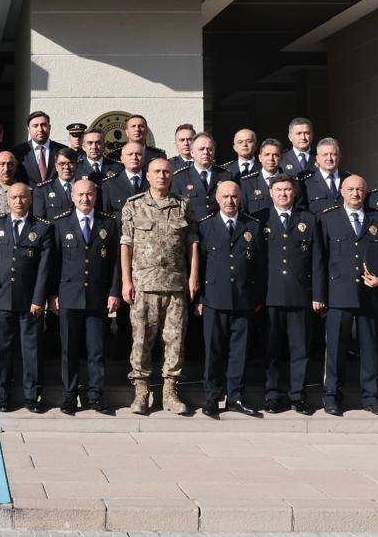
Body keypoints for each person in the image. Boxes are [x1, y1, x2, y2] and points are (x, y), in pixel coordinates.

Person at [118, 156, 193, 416]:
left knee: (175, 340)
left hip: (174, 286)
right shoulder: (133, 206)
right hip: (143, 286)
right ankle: (141, 392)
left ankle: (170, 393)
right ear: (147, 176)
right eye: (156, 172)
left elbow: (191, 244)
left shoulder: (183, 205)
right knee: (141, 340)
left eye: (166, 171)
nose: (162, 175)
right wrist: (126, 281)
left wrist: (193, 277)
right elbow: (125, 245)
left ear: (172, 176)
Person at [315, 175, 378, 417]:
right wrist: (320, 295)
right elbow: (320, 260)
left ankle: (371, 397)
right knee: (336, 349)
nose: (355, 194)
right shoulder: (328, 218)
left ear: (366, 192)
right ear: (341, 191)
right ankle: (332, 396)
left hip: (370, 296)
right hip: (338, 295)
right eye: (350, 189)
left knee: (370, 349)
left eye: (360, 189)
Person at [193, 180, 263, 418]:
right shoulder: (205, 227)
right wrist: (199, 298)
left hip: (244, 300)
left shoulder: (252, 226)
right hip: (213, 299)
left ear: (240, 198)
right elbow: (198, 267)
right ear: (217, 199)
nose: (230, 201)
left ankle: (236, 397)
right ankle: (212, 398)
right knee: (213, 352)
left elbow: (260, 266)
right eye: (225, 197)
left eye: (234, 196)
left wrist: (257, 297)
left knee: (239, 352)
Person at [51, 178, 120, 415]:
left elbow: (115, 264)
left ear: (96, 196)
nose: (85, 199)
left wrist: (114, 292)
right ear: (72, 196)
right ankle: (70, 396)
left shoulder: (108, 225)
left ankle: (95, 395)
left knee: (96, 350)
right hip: (69, 296)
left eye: (89, 194)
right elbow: (54, 263)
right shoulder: (60, 224)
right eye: (80, 194)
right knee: (69, 350)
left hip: (97, 296)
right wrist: (52, 294)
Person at [0, 182, 52, 412]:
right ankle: (3, 395)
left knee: (31, 349)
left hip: (29, 300)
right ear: (7, 199)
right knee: (2, 349)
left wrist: (38, 299)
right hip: (2, 298)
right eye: (14, 197)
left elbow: (45, 269)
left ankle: (32, 396)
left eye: (23, 197)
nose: (18, 201)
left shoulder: (42, 228)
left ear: (30, 199)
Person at [256, 175, 316, 414]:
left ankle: (298, 396)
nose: (283, 194)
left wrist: (318, 295)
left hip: (300, 296)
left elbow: (318, 261)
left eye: (287, 190)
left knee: (300, 350)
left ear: (295, 193)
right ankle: (272, 395)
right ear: (271, 193)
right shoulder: (260, 219)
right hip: (270, 297)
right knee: (272, 350)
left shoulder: (308, 220)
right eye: (278, 189)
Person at [171, 133, 231, 220]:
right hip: (192, 229)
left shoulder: (225, 175)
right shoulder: (180, 177)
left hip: (217, 228)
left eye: (209, 149)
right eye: (201, 149)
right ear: (192, 153)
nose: (205, 152)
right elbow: (175, 209)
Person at [300, 138, 349, 213]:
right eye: (325, 155)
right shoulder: (306, 183)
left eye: (333, 154)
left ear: (339, 157)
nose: (329, 158)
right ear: (318, 158)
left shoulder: (349, 179)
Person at [33, 148, 81, 220]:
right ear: (56, 166)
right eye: (62, 164)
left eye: (70, 163)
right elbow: (39, 220)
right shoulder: (43, 190)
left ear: (77, 166)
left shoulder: (85, 188)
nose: (66, 167)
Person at [242, 138, 285, 214]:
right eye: (267, 154)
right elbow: (243, 212)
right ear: (260, 158)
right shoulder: (247, 183)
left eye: (275, 155)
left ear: (281, 158)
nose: (271, 159)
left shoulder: (291, 181)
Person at [16, 112, 57, 185]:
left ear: (49, 127)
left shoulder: (61, 150)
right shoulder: (18, 152)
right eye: (35, 126)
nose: (40, 129)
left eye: (43, 125)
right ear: (28, 129)